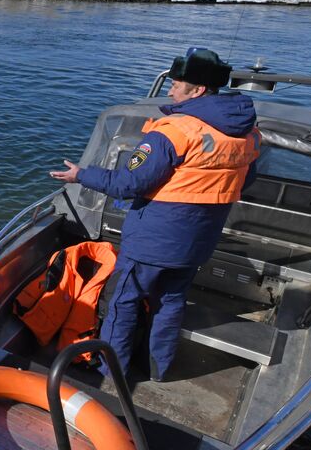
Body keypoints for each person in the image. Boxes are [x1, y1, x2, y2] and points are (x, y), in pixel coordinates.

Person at [50, 48, 260, 382]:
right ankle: (158, 370)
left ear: (199, 90)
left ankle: (110, 375)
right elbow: (245, 179)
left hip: (154, 240)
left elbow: (129, 183)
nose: (171, 89)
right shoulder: (247, 133)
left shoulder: (173, 132)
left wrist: (81, 175)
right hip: (199, 240)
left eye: (178, 83)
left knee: (123, 303)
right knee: (172, 300)